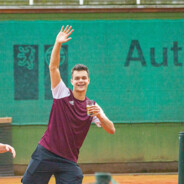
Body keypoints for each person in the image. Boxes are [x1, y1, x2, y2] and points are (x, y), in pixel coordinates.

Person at [22, 25, 115, 184]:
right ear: (71, 81)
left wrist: (98, 115)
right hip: (46, 153)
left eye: (84, 78)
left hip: (68, 161)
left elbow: (111, 129)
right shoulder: (62, 93)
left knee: (76, 176)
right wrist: (58, 44)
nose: (81, 81)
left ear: (88, 81)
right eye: (77, 78)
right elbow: (53, 67)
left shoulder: (92, 106)